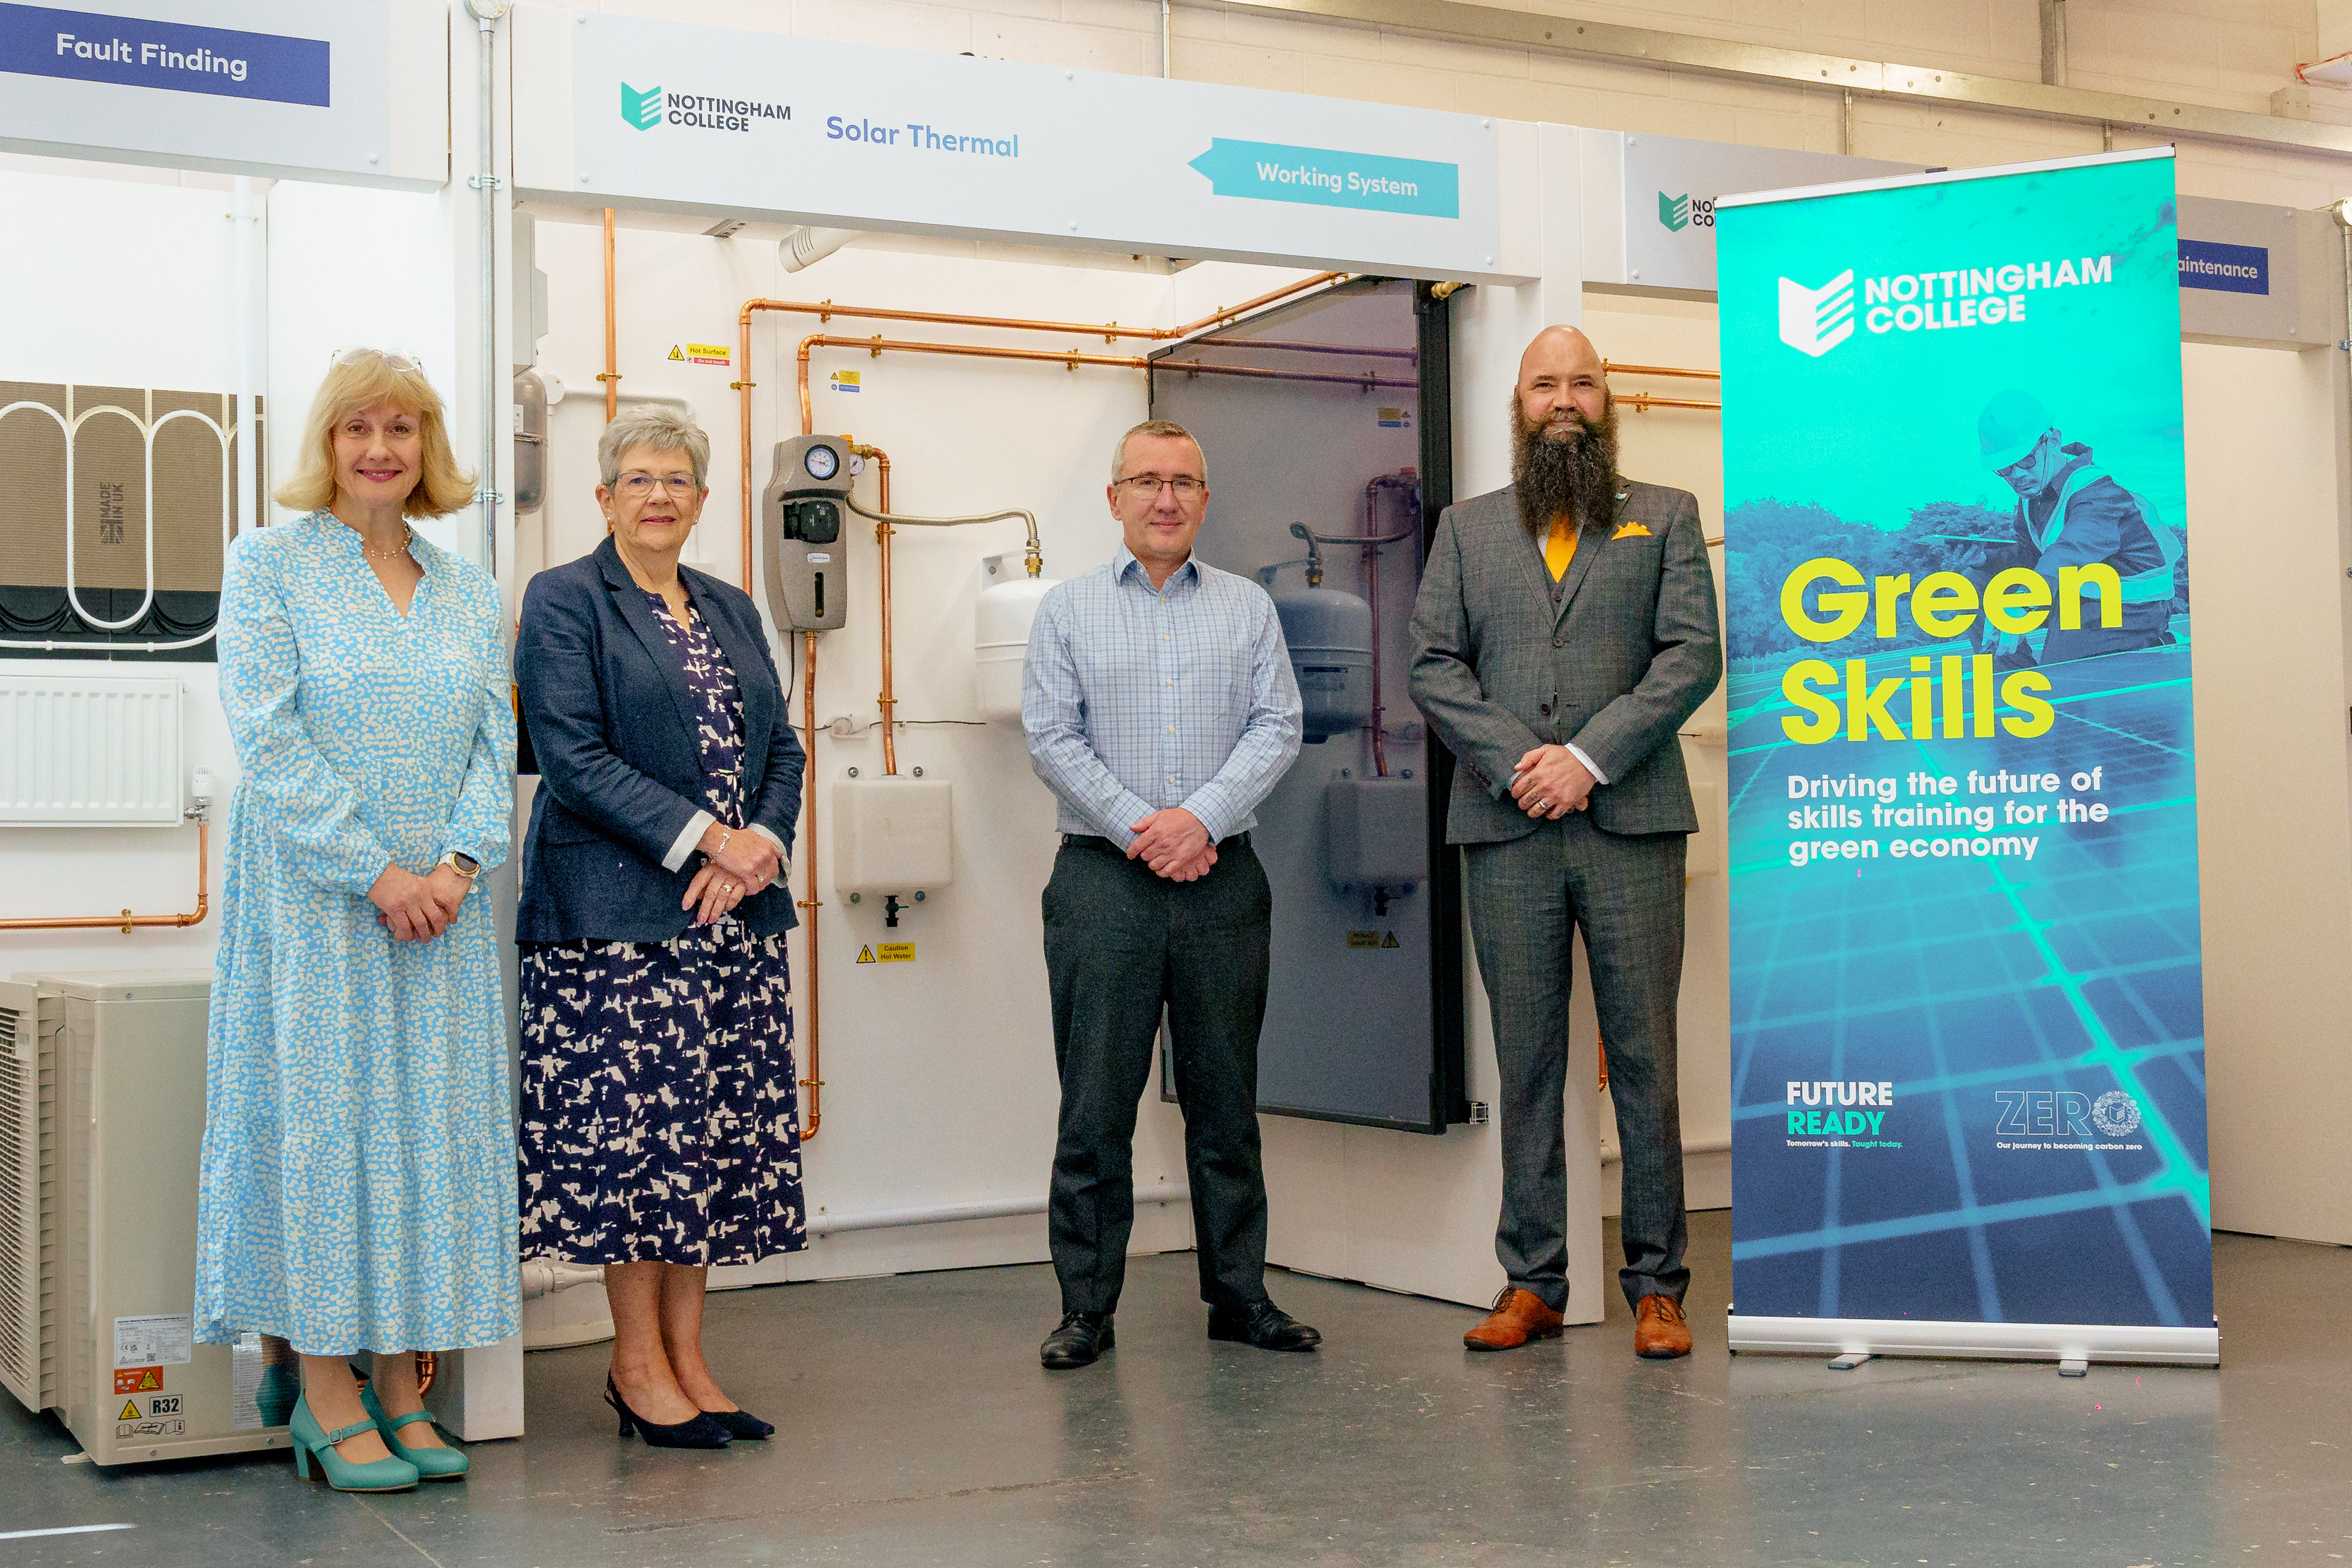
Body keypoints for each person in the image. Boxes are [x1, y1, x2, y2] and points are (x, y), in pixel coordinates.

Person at [197, 348, 515, 1492]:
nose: (380, 448)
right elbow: (268, 740)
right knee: (327, 1134)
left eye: (402, 428)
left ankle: (397, 1382)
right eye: (356, 429)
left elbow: (494, 743)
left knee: (423, 1138)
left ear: (427, 448)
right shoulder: (270, 566)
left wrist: (459, 862)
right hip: (321, 904)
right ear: (325, 446)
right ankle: (321, 1380)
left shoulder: (469, 588)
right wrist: (379, 871)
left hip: (444, 911)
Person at [1408, 326, 1722, 1360]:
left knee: (1643, 1057)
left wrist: (1584, 757)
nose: (1562, 398)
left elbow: (1689, 656)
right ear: (1516, 399)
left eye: (1580, 381)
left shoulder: (1663, 517)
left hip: (1627, 821)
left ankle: (1656, 1285)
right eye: (1544, 381)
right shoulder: (1464, 528)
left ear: (1605, 398)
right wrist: (1520, 761)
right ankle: (1531, 1280)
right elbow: (1433, 665)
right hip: (1505, 828)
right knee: (1527, 1058)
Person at [514, 406, 806, 1449]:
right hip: (614, 927)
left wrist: (760, 842)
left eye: (677, 478)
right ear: (602, 497)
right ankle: (634, 1364)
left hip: (730, 925)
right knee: (632, 1155)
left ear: (698, 497)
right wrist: (707, 841)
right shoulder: (563, 601)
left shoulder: (729, 606)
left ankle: (689, 1359)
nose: (658, 494)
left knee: (705, 1147)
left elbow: (783, 748)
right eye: (637, 477)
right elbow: (572, 755)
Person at [1020, 418, 1315, 1370]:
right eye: (1146, 481)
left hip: (1223, 878)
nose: (1166, 498)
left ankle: (1238, 1296)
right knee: (1095, 1106)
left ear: (1203, 499)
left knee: (1227, 1102)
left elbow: (1279, 726)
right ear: (1114, 499)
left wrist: (1200, 821)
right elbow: (1051, 738)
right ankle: (1086, 1309)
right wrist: (1146, 831)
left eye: (1184, 481)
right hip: (1102, 881)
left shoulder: (1246, 609)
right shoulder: (1066, 610)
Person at [1975, 389, 2183, 666]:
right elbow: (2029, 560)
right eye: (2005, 469)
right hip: (2079, 594)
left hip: (2134, 605)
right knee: (1975, 580)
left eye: (2026, 460)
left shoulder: (2097, 492)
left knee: (2062, 669)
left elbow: (2070, 551)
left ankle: (2150, 642)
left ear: (2053, 440)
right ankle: (2018, 678)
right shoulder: (2029, 503)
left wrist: (2020, 605)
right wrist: (1983, 558)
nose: (2018, 476)